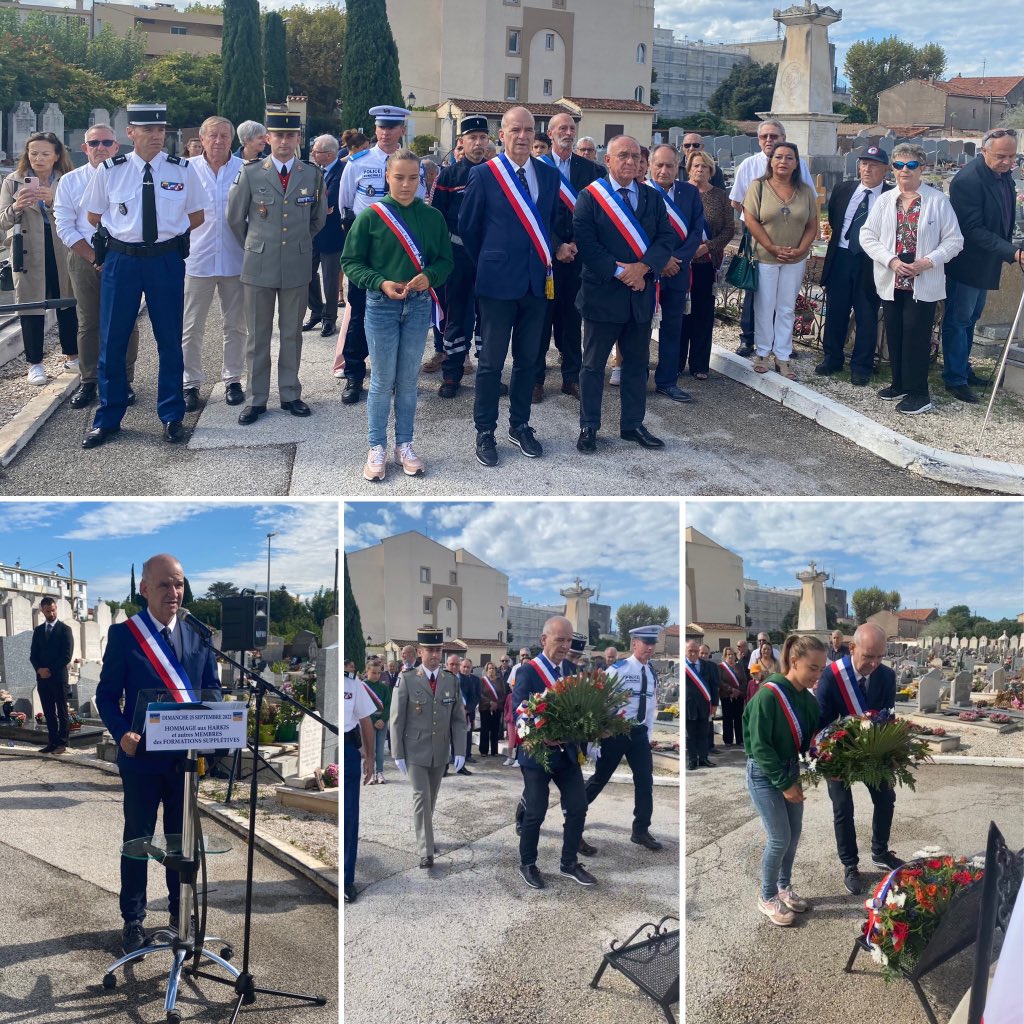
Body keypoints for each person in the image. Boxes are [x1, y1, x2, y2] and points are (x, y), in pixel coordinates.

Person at [94, 553, 221, 953]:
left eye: (179, 583)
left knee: (181, 841)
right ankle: (133, 919)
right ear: (145, 588)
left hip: (186, 760)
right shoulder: (125, 635)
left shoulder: (198, 634)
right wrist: (121, 734)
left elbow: (212, 690)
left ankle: (180, 913)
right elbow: (106, 696)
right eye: (164, 584)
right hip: (142, 760)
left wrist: (217, 730)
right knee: (139, 839)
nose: (173, 592)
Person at [82, 103, 205, 450]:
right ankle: (108, 417)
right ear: (130, 133)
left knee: (169, 339)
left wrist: (169, 231)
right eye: (148, 130)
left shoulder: (182, 169)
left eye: (161, 129)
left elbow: (197, 215)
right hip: (122, 260)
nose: (156, 135)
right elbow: (93, 215)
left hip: (165, 260)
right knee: (113, 339)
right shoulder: (111, 170)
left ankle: (171, 415)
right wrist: (126, 231)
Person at [458, 106, 563, 468]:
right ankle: (485, 430)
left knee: (529, 360)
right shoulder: (484, 174)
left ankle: (519, 425)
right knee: (490, 363)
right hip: (497, 283)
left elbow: (549, 223)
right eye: (515, 130)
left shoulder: (548, 176)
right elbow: (469, 228)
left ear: (536, 135)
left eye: (528, 130)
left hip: (536, 283)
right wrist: (492, 260)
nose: (522, 136)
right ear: (501, 135)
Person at [341, 148, 453, 481]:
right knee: (381, 380)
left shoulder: (432, 217)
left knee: (407, 380)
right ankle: (376, 446)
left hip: (418, 305)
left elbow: (445, 261)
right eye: (399, 177)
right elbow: (351, 262)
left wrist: (429, 277)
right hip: (381, 305)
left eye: (413, 178)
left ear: (421, 180)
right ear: (387, 177)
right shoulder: (371, 217)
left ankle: (405, 444)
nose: (406, 185)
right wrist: (380, 282)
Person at [573, 134, 675, 454]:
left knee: (636, 365)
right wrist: (623, 273)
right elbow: (587, 245)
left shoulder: (652, 197)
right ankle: (589, 426)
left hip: (639, 296)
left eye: (635, 156)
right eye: (623, 156)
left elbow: (665, 239)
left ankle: (632, 424)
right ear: (607, 160)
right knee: (593, 366)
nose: (630, 161)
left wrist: (642, 268)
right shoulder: (590, 197)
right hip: (602, 295)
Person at [226, 109, 327, 427]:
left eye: (290, 135)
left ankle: (290, 394)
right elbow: (235, 218)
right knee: (257, 336)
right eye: (278, 135)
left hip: (296, 263)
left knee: (292, 334)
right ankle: (256, 398)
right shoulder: (251, 173)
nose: (284, 141)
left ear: (298, 139)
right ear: (268, 138)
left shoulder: (311, 174)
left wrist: (297, 243)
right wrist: (256, 245)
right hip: (259, 264)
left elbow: (318, 218)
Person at [859, 143, 964, 415]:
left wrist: (927, 262)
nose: (904, 170)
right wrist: (891, 261)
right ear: (893, 169)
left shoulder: (937, 201)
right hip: (893, 278)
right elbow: (867, 236)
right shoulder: (886, 200)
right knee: (894, 333)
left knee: (916, 337)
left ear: (922, 168)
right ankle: (899, 384)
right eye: (899, 165)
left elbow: (954, 240)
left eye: (911, 165)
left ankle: (919, 393)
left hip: (922, 280)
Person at [338, 105, 424, 405]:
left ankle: (397, 378)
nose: (386, 133)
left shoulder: (413, 165)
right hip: (369, 254)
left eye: (392, 127)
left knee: (402, 316)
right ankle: (354, 374)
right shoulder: (358, 163)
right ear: (375, 130)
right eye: (381, 127)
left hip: (403, 253)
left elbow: (418, 207)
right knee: (360, 314)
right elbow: (345, 206)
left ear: (402, 130)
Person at [54, 124, 141, 410]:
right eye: (94, 143)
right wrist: (93, 257)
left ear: (116, 147)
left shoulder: (132, 176)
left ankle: (124, 380)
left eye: (106, 142)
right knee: (89, 321)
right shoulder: (70, 181)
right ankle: (89, 379)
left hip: (123, 256)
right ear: (85, 148)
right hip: (84, 256)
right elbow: (64, 225)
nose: (100, 148)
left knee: (126, 320)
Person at [743, 633, 824, 926]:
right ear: (794, 661)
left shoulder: (809, 701)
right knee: (779, 838)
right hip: (765, 773)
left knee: (793, 834)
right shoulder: (768, 695)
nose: (817, 675)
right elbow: (760, 746)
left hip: (791, 769)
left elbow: (811, 740)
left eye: (821, 669)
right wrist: (785, 784)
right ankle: (767, 897)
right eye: (812, 667)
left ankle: (783, 887)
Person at [816, 622, 902, 895]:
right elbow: (820, 722)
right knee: (843, 806)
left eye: (880, 656)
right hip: (838, 752)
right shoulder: (831, 676)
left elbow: (887, 718)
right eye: (868, 656)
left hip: (872, 751)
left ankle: (880, 851)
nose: (874, 663)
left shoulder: (886, 676)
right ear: (852, 648)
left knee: (886, 797)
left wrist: (891, 752)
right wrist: (834, 749)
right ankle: (850, 864)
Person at [512, 616, 596, 889]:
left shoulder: (571, 669)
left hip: (567, 753)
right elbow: (519, 713)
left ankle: (569, 863)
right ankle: (528, 864)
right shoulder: (528, 672)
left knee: (578, 806)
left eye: (568, 640)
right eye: (560, 640)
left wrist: (594, 726)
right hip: (538, 755)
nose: (565, 645)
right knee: (536, 811)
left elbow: (581, 707)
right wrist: (539, 734)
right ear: (544, 640)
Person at [942, 127, 1024, 403]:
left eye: (1012, 156)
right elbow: (972, 229)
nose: (1008, 162)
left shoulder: (1003, 175)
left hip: (988, 261)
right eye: (1001, 156)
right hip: (968, 262)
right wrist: (1013, 253)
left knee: (972, 318)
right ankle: (954, 378)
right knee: (959, 319)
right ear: (984, 151)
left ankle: (963, 369)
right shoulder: (968, 180)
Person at [730, 120, 816, 357]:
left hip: (793, 239)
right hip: (757, 236)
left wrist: (800, 247)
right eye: (764, 136)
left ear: (783, 138)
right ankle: (749, 339)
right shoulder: (749, 165)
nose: (769, 140)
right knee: (755, 293)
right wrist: (758, 224)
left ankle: (782, 346)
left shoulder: (800, 167)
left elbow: (809, 203)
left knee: (785, 300)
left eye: (774, 136)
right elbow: (737, 200)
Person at [534, 111, 604, 403]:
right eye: (561, 128)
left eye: (571, 128)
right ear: (550, 133)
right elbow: (532, 214)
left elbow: (596, 212)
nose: (567, 132)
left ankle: (571, 377)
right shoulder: (535, 167)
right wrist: (556, 246)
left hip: (577, 256)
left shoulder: (590, 169)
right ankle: (536, 380)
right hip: (545, 257)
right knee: (540, 321)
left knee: (573, 319)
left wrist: (575, 244)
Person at [180, 116, 247, 413]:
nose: (218, 141)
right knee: (191, 327)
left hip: (236, 258)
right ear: (202, 138)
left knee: (236, 326)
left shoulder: (245, 169)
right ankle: (190, 383)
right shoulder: (186, 170)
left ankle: (233, 379)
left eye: (224, 136)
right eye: (213, 135)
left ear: (232, 139)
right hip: (197, 259)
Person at [0, 130, 78, 385]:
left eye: (45, 153)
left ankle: (73, 355)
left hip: (62, 247)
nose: (39, 159)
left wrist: (54, 201)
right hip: (28, 249)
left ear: (56, 155)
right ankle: (35, 363)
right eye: (34, 153)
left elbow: (82, 214)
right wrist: (17, 207)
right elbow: (2, 220)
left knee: (67, 301)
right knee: (30, 305)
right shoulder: (13, 181)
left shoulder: (68, 179)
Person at [390, 627, 467, 868]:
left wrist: (460, 749)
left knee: (431, 797)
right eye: (430, 650)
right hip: (414, 750)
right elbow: (396, 718)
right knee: (421, 796)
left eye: (438, 650)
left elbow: (458, 718)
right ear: (420, 651)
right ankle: (426, 850)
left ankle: (427, 836)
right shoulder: (407, 679)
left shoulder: (450, 680)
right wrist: (397, 752)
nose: (434, 655)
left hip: (440, 750)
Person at [582, 625, 664, 852]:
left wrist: (648, 734)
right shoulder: (618, 670)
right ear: (634, 644)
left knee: (645, 781)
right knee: (600, 778)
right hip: (615, 732)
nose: (650, 648)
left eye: (653, 644)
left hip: (638, 734)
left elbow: (650, 707)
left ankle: (640, 830)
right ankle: (574, 816)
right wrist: (597, 735)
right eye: (646, 643)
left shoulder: (651, 672)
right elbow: (599, 701)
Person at [743, 141, 819, 379]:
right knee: (764, 306)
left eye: (789, 158)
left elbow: (812, 224)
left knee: (786, 308)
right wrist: (771, 246)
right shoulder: (758, 187)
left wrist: (801, 249)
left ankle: (783, 356)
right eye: (778, 157)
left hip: (795, 259)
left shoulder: (805, 191)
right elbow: (751, 219)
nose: (783, 162)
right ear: (771, 161)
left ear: (796, 164)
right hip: (766, 256)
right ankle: (763, 353)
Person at [816, 146, 892, 385]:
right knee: (836, 311)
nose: (867, 169)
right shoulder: (844, 189)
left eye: (874, 165)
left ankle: (861, 366)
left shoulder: (891, 196)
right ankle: (832, 358)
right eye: (864, 164)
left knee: (866, 313)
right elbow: (835, 219)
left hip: (871, 260)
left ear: (885, 170)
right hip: (841, 256)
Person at [431, 116, 490, 397]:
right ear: (462, 142)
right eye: (472, 138)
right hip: (458, 256)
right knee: (456, 316)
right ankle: (452, 374)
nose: (478, 143)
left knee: (488, 317)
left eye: (483, 138)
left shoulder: (496, 173)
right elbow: (436, 218)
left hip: (488, 258)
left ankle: (488, 374)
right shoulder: (448, 176)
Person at [646, 143, 704, 402]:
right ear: (650, 165)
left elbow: (696, 230)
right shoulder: (640, 191)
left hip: (678, 271)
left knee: (672, 328)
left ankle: (667, 381)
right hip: (648, 272)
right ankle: (636, 378)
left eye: (669, 165)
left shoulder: (689, 193)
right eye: (659, 165)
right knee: (640, 329)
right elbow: (639, 233)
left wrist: (677, 260)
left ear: (678, 166)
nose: (664, 170)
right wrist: (661, 260)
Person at [681, 149, 734, 380]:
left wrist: (708, 247)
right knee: (681, 314)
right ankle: (676, 362)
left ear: (711, 170)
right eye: (696, 166)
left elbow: (729, 230)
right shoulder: (680, 192)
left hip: (706, 263)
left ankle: (700, 364)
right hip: (681, 264)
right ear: (688, 169)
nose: (699, 170)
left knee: (703, 314)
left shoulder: (720, 196)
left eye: (704, 166)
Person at [304, 134, 345, 338]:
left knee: (330, 278)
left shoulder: (342, 172)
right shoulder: (315, 171)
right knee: (306, 273)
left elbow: (331, 202)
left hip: (332, 233)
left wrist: (311, 204)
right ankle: (316, 311)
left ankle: (329, 318)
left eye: (316, 151)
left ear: (329, 154)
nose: (312, 153)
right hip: (312, 232)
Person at [344, 657, 376, 903]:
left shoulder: (353, 684)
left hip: (347, 748)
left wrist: (370, 758)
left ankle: (346, 879)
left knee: (349, 816)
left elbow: (365, 720)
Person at [30, 596, 75, 755]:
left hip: (58, 677)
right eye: (48, 611)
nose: (52, 613)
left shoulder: (65, 630)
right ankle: (52, 742)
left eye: (53, 610)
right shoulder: (38, 631)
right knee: (48, 712)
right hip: (42, 678)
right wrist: (39, 670)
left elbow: (67, 655)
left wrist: (49, 670)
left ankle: (62, 743)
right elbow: (33, 655)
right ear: (42, 611)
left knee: (62, 711)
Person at [684, 638, 718, 770]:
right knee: (690, 735)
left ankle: (703, 758)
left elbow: (714, 685)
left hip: (704, 706)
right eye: (690, 651)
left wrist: (714, 704)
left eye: (695, 651)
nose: (693, 653)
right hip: (689, 707)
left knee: (704, 734)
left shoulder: (707, 666)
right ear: (685, 651)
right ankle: (692, 760)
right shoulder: (683, 666)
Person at [363, 658, 391, 785]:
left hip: (382, 722)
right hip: (368, 722)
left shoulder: (383, 687)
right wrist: (373, 720)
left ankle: (380, 772)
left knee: (380, 750)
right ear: (367, 671)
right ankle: (370, 773)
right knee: (370, 749)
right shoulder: (363, 687)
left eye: (379, 673)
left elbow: (388, 704)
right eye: (373, 673)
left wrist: (383, 719)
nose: (376, 675)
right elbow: (362, 706)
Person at [717, 646, 747, 746]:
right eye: (728, 654)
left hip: (738, 695)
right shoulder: (721, 667)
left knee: (738, 717)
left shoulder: (739, 666)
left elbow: (744, 680)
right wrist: (731, 690)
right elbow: (720, 681)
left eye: (732, 654)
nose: (731, 656)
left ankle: (740, 739)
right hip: (726, 696)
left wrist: (738, 691)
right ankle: (728, 740)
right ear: (725, 656)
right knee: (728, 718)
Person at [478, 661, 506, 757]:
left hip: (496, 708)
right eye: (489, 668)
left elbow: (503, 694)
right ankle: (484, 750)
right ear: (486, 670)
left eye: (493, 668)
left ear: (495, 670)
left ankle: (494, 751)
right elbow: (480, 694)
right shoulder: (482, 680)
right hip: (485, 708)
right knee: (485, 730)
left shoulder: (499, 681)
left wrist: (496, 704)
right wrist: (490, 702)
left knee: (495, 730)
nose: (491, 670)